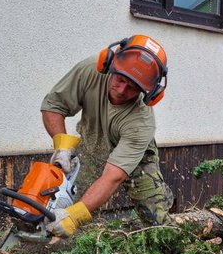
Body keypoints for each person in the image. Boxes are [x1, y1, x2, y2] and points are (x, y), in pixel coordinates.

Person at [40, 35, 175, 237]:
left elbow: (113, 176)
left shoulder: (142, 122)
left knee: (157, 223)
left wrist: (75, 216)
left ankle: (162, 198)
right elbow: (53, 105)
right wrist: (63, 145)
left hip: (137, 161)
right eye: (120, 80)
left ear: (149, 93)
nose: (121, 90)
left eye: (132, 87)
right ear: (110, 63)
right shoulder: (90, 70)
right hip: (91, 145)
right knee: (62, 204)